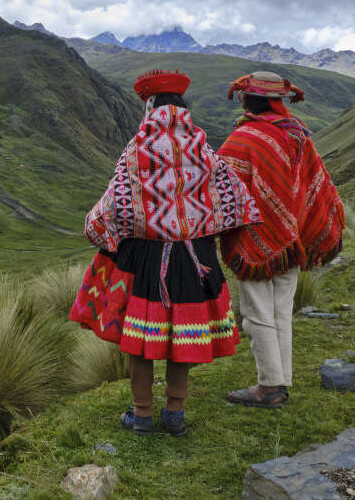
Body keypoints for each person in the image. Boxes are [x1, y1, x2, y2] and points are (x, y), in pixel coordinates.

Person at [70, 69, 261, 436]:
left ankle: (141, 413)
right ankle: (175, 412)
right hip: (196, 258)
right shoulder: (204, 152)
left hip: (147, 258)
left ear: (150, 108)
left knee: (142, 338)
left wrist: (97, 227)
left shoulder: (138, 150)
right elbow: (235, 196)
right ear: (183, 110)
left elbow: (116, 207)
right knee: (183, 335)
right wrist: (198, 221)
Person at [219, 71, 345, 408]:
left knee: (258, 313)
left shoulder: (244, 138)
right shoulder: (299, 136)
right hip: (292, 242)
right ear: (278, 101)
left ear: (247, 100)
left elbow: (221, 189)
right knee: (280, 312)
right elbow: (317, 188)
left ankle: (269, 387)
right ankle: (279, 381)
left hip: (256, 242)